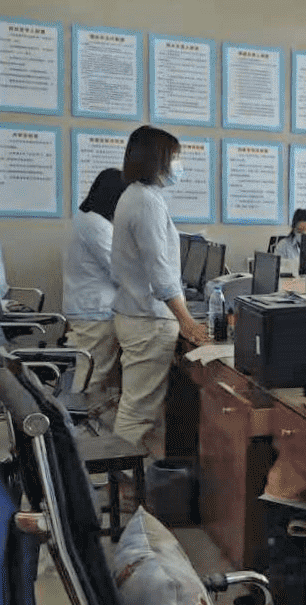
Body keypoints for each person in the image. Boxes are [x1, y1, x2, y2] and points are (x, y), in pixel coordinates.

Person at [110, 126, 211, 455]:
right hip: (148, 320)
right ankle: (120, 473)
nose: (179, 165)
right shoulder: (145, 203)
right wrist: (187, 321)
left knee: (150, 414)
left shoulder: (137, 196)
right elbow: (161, 272)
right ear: (157, 160)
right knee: (138, 412)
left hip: (137, 314)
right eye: (175, 158)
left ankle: (147, 478)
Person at [62, 168, 126, 405]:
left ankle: (81, 417)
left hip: (87, 308)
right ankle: (76, 420)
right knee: (92, 375)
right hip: (95, 313)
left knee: (91, 371)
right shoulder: (96, 225)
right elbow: (119, 269)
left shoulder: (84, 218)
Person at [273, 207, 306, 275]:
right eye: (300, 231)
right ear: (294, 230)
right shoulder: (283, 245)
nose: (304, 234)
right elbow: (276, 269)